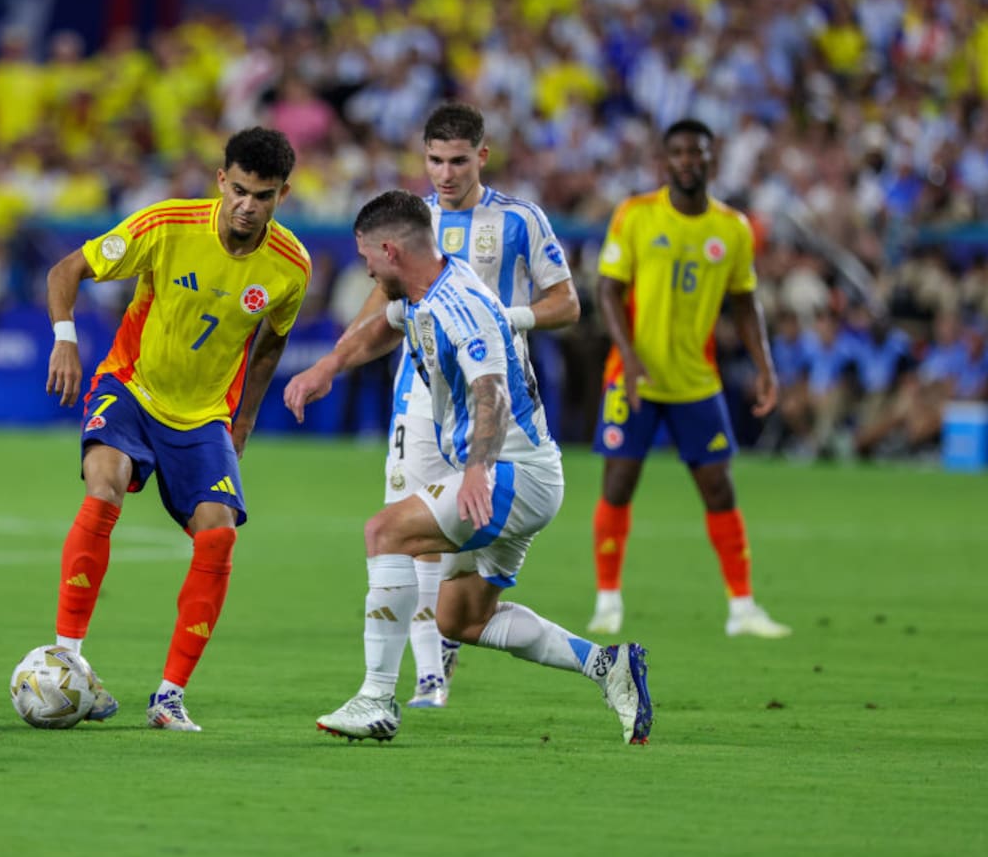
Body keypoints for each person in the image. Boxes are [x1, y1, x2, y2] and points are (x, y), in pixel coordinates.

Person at [285, 190, 651, 745]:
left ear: (390, 251)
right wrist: (329, 366)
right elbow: (388, 324)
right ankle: (609, 665)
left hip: (512, 473)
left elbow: (491, 390)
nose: (366, 271)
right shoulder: (425, 289)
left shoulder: (461, 304)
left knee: (386, 531)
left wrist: (478, 469)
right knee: (462, 619)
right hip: (522, 473)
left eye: (368, 259)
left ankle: (376, 699)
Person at [287, 102, 580, 710]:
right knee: (407, 528)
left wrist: (504, 319)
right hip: (421, 393)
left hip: (491, 390)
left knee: (424, 536)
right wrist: (332, 362)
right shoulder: (412, 222)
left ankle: (406, 678)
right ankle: (428, 673)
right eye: (435, 160)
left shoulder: (519, 219)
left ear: (482, 156)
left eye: (457, 161)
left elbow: (567, 304)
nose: (445, 173)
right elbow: (384, 308)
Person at [44, 127, 310, 731]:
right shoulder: (167, 224)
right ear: (221, 181)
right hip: (131, 386)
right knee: (104, 487)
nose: (247, 205)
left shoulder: (291, 266)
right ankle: (68, 663)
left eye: (263, 196)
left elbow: (273, 342)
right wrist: (65, 340)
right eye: (238, 190)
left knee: (218, 535)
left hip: (203, 415)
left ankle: (168, 698)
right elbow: (66, 270)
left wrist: (243, 419)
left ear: (283, 195)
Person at [587, 118, 791, 639]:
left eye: (696, 152)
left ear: (711, 160)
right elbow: (608, 290)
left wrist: (765, 366)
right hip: (633, 377)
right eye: (677, 152)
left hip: (696, 380)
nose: (687, 161)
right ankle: (607, 601)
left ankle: (742, 607)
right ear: (664, 161)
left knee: (719, 488)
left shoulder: (733, 228)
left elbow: (744, 302)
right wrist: (629, 355)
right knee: (619, 483)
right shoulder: (636, 214)